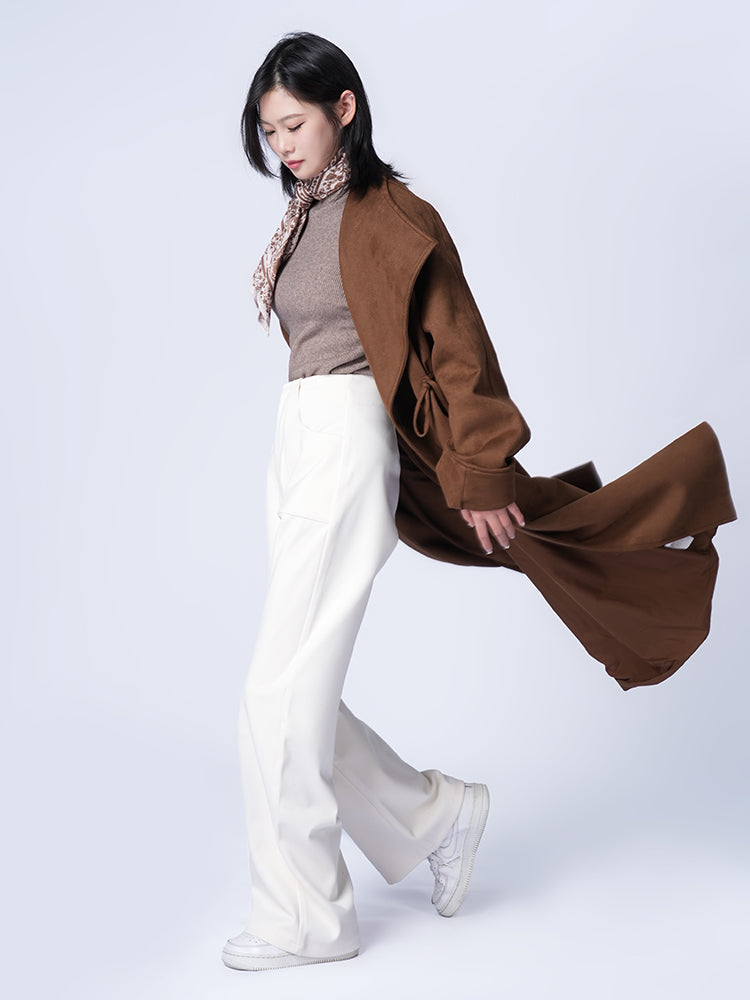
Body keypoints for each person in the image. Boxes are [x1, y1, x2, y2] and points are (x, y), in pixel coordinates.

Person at [223, 31, 736, 973]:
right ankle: (436, 815)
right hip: (296, 437)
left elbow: (458, 345)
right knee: (294, 684)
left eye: (294, 124)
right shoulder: (304, 214)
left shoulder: (389, 214)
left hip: (346, 439)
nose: (282, 145)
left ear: (344, 109)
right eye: (269, 132)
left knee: (275, 691)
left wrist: (484, 471)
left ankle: (309, 921)